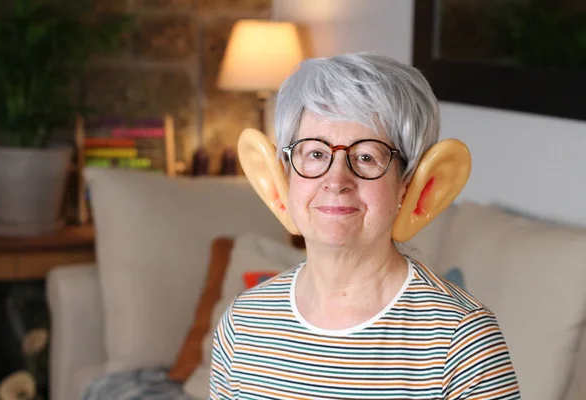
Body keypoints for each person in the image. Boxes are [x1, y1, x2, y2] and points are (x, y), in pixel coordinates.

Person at [210, 52, 521, 399]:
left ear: (410, 183)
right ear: (284, 176)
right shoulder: (243, 324)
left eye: (366, 156)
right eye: (315, 154)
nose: (336, 179)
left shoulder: (463, 340)